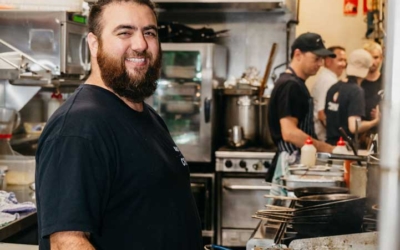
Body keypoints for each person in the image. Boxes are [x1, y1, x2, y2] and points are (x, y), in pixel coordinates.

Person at [35, 0, 202, 249]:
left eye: (149, 32)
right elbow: (67, 243)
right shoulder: (79, 126)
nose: (141, 44)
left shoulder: (146, 115)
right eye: (125, 32)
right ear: (94, 44)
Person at [267, 32, 335, 183]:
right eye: (316, 59)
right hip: (291, 164)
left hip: (297, 164)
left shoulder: (295, 83)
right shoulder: (290, 85)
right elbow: (289, 133)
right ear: (298, 54)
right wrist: (324, 148)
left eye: (322, 59)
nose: (320, 64)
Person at [325, 49, 380, 146]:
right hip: (345, 148)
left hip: (330, 146)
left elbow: (326, 118)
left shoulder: (334, 88)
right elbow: (354, 127)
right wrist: (375, 122)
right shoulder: (356, 91)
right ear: (366, 70)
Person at [311, 46, 347, 141]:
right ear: (328, 61)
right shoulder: (328, 81)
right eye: (340, 60)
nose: (344, 64)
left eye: (345, 60)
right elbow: (321, 114)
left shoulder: (327, 78)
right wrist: (336, 134)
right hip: (324, 138)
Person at [361, 41, 383, 123]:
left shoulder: (388, 84)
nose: (372, 62)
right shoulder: (357, 83)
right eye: (369, 58)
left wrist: (382, 115)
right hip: (360, 132)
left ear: (381, 58)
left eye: (376, 57)